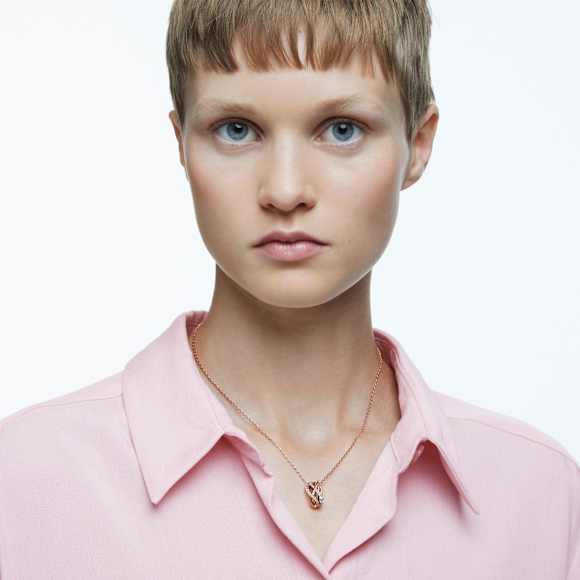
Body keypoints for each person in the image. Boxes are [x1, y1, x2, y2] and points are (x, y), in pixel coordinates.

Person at [0, 1, 578, 578]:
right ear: (182, 144)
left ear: (418, 143)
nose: (284, 189)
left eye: (342, 130)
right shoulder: (28, 479)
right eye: (236, 130)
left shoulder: (538, 495)